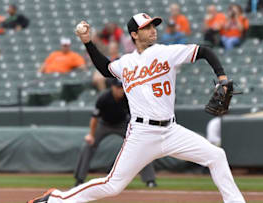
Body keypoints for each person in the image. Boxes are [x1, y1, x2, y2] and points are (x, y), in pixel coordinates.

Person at [27, 13, 246, 203]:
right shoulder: (125, 63)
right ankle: (56, 198)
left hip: (171, 131)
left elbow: (205, 51)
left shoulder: (166, 52)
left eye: (153, 26)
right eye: (147, 27)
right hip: (141, 134)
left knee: (216, 155)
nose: (153, 30)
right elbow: (105, 68)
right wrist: (88, 42)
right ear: (134, 34)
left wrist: (222, 78)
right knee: (113, 186)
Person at [74, 78, 157, 188]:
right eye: (118, 88)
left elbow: (137, 115)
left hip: (122, 124)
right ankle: (79, 179)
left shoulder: (128, 98)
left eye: (122, 88)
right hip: (104, 124)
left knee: (140, 146)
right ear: (112, 87)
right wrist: (91, 135)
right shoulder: (104, 98)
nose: (120, 90)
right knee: (88, 145)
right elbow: (94, 118)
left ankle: (150, 180)